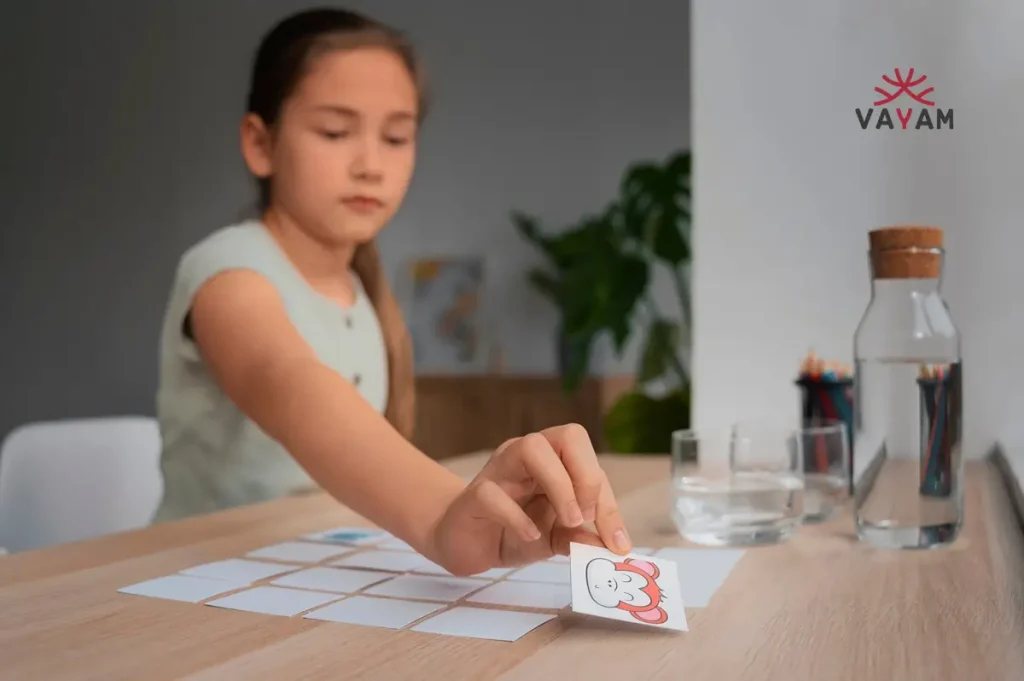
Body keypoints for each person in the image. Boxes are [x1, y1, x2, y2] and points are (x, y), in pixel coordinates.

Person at [153, 7, 632, 576]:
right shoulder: (227, 271)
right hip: (202, 576)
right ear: (261, 144)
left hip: (318, 568)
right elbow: (291, 382)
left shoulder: (361, 289)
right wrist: (442, 516)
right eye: (335, 132)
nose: (371, 165)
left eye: (397, 137)